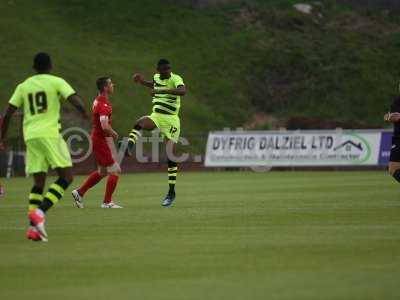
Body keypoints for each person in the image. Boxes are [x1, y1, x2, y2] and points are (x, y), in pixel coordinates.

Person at [0, 52, 88, 242]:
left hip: (30, 136)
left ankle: (33, 229)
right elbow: (74, 99)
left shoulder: (23, 86)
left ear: (34, 67)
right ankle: (40, 212)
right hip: (50, 134)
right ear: (51, 66)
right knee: (66, 177)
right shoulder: (56, 82)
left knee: (38, 183)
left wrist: (2, 138)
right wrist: (83, 111)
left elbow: (7, 114)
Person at [126, 59, 186, 207]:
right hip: (157, 116)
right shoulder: (157, 77)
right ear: (158, 70)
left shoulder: (175, 78)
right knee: (139, 122)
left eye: (168, 68)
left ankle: (171, 192)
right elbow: (155, 84)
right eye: (164, 69)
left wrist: (161, 91)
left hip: (171, 119)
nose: (167, 71)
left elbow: (182, 91)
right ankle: (129, 145)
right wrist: (142, 82)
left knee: (170, 156)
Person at [71, 77, 122, 208]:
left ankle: (79, 192)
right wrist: (113, 133)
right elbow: (104, 126)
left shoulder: (98, 100)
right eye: (111, 83)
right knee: (115, 170)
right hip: (100, 139)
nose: (113, 85)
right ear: (105, 87)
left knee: (103, 171)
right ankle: (107, 202)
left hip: (98, 138)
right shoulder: (103, 104)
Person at [384, 91, 400, 181]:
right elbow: (391, 115)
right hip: (397, 138)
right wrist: (388, 117)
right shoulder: (397, 100)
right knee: (393, 169)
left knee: (393, 169)